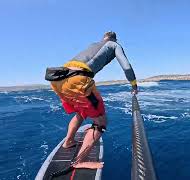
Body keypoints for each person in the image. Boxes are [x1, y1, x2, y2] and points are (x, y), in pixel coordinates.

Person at [49, 31, 138, 168]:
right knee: (101, 122)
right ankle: (79, 162)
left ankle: (69, 141)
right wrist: (134, 85)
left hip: (57, 80)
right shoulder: (114, 45)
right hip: (77, 80)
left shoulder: (94, 45)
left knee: (81, 112)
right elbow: (126, 66)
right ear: (114, 38)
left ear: (103, 37)